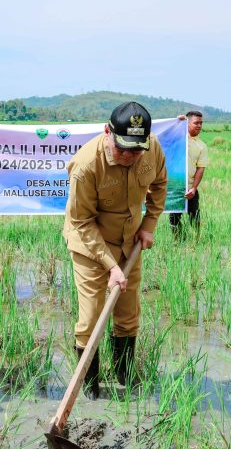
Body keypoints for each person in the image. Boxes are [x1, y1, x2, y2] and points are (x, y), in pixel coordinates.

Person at [64, 102, 168, 398]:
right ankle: (90, 387)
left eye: (136, 150)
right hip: (90, 245)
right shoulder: (86, 165)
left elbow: (160, 184)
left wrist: (149, 223)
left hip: (130, 241)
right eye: (123, 149)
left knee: (127, 312)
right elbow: (82, 222)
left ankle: (124, 378)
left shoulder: (152, 149)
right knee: (92, 317)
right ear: (107, 132)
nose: (130, 157)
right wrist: (111, 266)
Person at [170, 110, 208, 237]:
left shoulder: (202, 146)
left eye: (201, 123)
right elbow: (166, 134)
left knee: (195, 216)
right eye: (196, 123)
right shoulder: (178, 138)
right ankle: (179, 240)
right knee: (174, 219)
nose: (199, 126)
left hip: (191, 189)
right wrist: (177, 122)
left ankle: (197, 240)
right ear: (187, 123)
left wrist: (194, 188)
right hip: (176, 187)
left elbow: (200, 169)